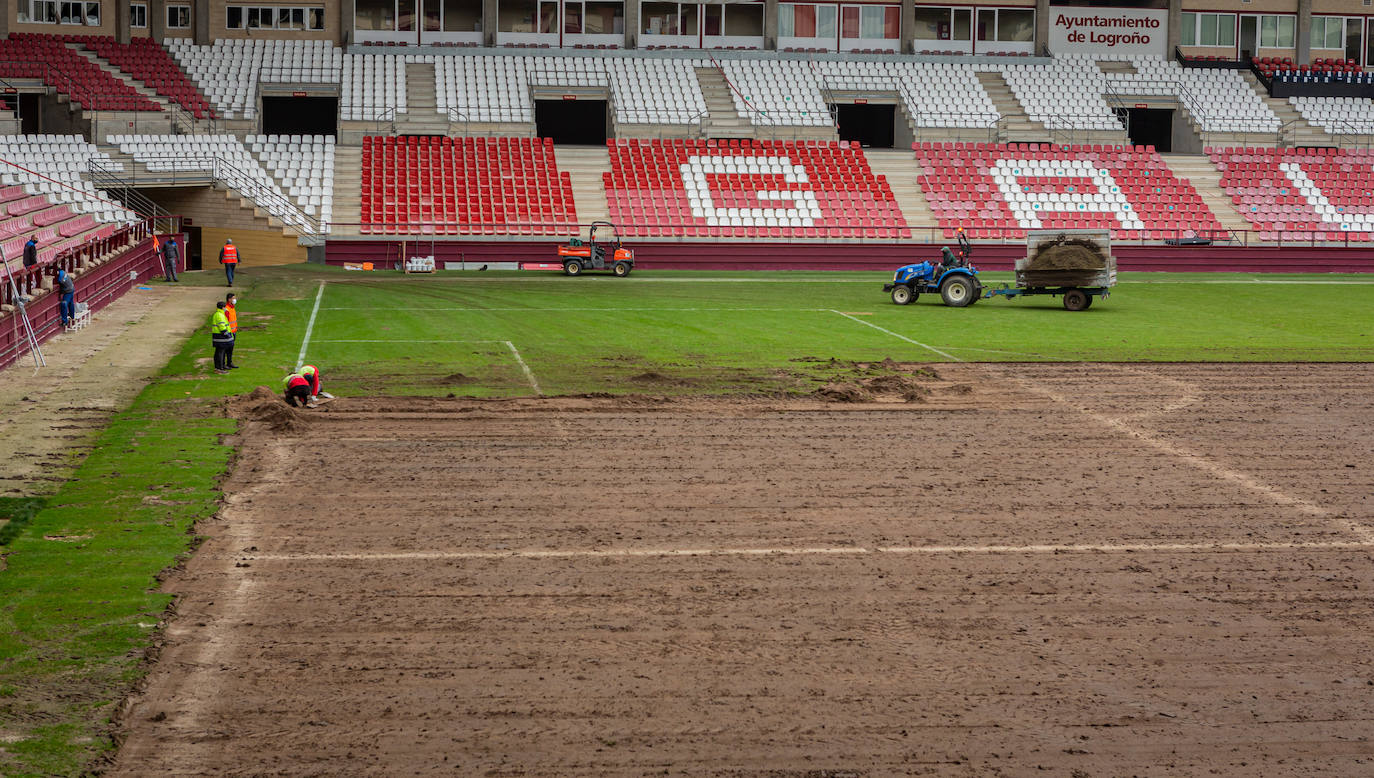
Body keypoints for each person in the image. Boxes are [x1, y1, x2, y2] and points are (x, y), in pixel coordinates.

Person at [210, 300, 233, 374]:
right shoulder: (220, 315)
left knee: (219, 352)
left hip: (218, 337)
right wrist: (227, 334)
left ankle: (219, 367)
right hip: (220, 337)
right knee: (220, 353)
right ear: (223, 307)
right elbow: (222, 326)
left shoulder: (219, 314)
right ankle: (219, 369)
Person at [224, 292, 239, 368]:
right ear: (229, 299)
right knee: (226, 349)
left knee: (230, 349)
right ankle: (225, 364)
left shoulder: (232, 307)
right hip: (229, 333)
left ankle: (229, 363)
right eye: (233, 298)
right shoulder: (227, 309)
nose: (235, 299)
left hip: (233, 332)